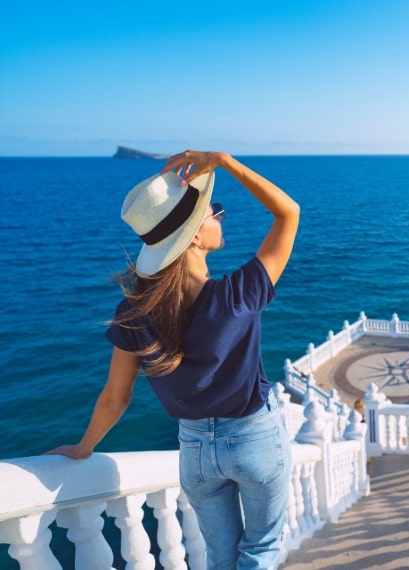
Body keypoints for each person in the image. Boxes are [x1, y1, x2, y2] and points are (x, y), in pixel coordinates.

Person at [45, 150, 300, 569]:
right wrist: (223, 161)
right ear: (194, 237)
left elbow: (115, 396)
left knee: (221, 556)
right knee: (261, 550)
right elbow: (288, 213)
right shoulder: (239, 295)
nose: (221, 215)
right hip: (254, 436)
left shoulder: (135, 313)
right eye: (213, 211)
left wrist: (82, 447)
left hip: (196, 452)